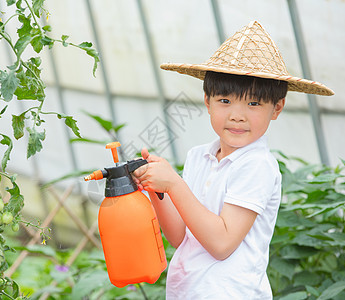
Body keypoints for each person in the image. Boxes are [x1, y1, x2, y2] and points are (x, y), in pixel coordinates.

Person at [133, 21, 333, 299]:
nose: (237, 115)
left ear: (276, 108)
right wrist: (157, 188)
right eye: (225, 101)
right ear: (207, 101)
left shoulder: (256, 165)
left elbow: (222, 243)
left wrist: (175, 185)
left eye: (253, 104)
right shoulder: (198, 156)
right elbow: (180, 236)